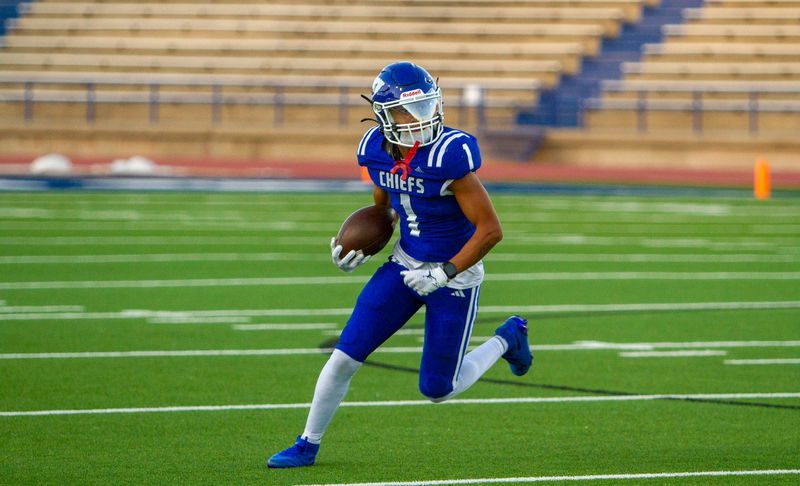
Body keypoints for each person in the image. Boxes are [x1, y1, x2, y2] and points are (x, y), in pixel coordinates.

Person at [267, 61, 532, 468]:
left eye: (425, 108)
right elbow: (385, 210)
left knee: (438, 389)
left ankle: (507, 338)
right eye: (406, 112)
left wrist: (444, 272)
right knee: (344, 356)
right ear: (383, 115)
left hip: (453, 275)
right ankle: (307, 442)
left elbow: (491, 231)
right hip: (404, 264)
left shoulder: (451, 154)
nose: (418, 120)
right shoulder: (375, 149)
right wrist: (358, 248)